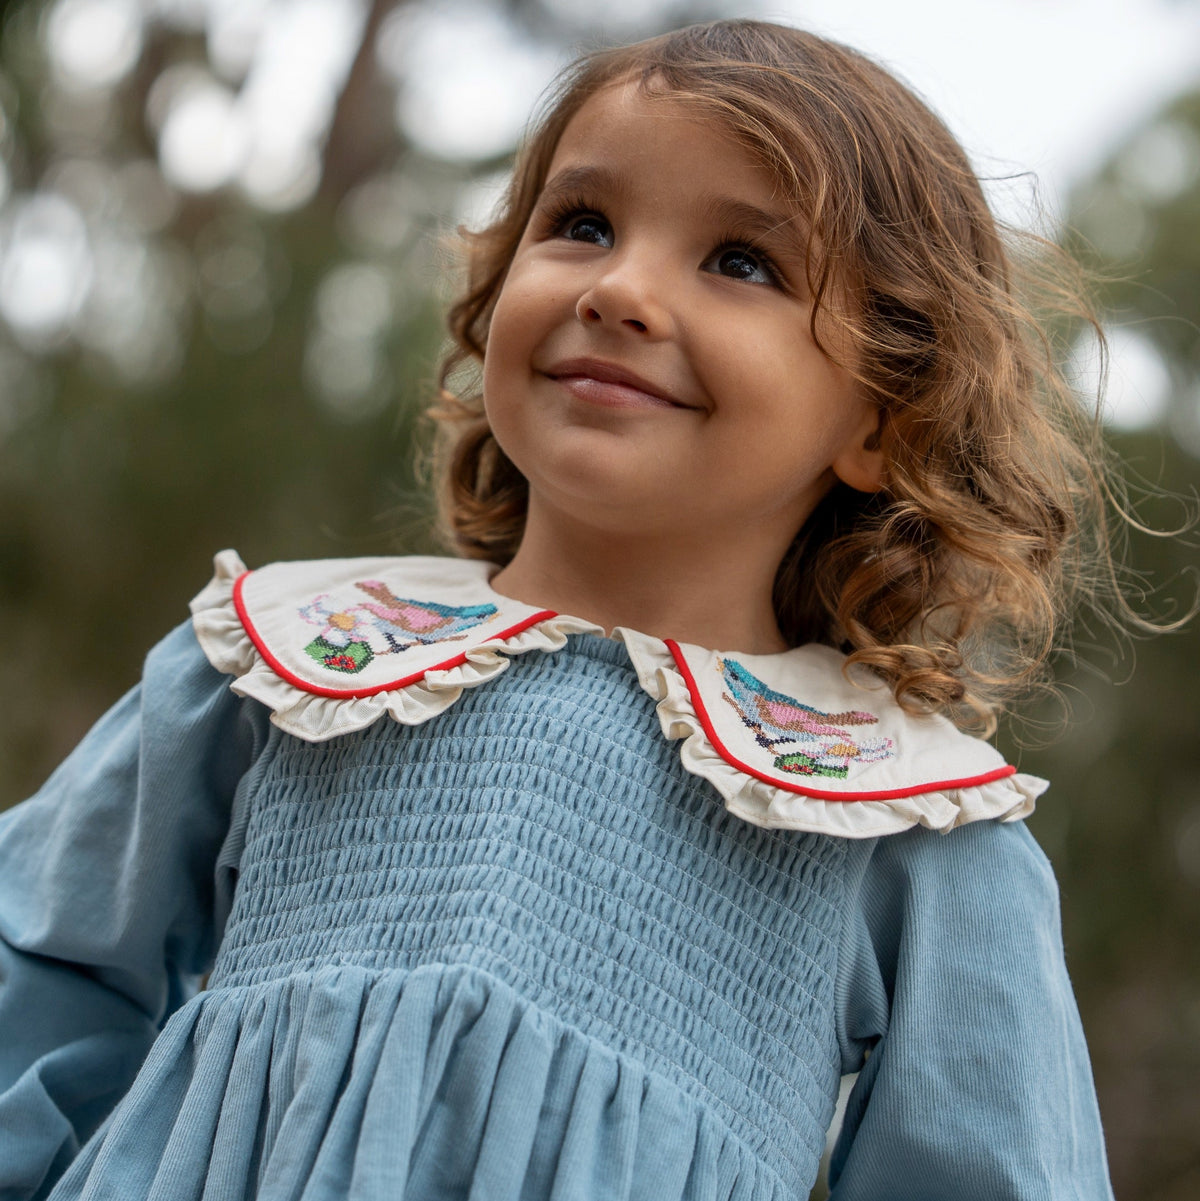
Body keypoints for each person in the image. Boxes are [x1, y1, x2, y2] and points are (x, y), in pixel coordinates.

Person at [0, 19, 1125, 1200]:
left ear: (882, 419)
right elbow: (40, 970)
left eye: (743, 261)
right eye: (582, 225)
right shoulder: (285, 659)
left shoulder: (910, 819)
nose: (622, 290)